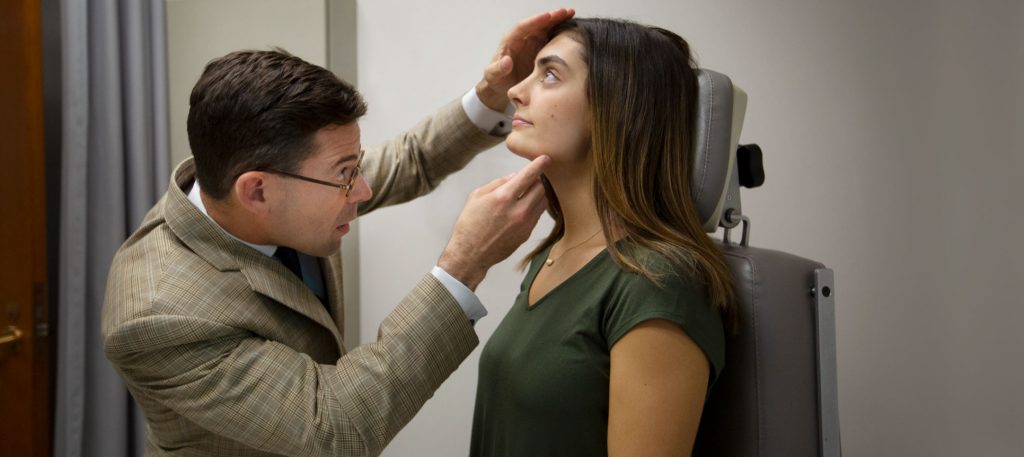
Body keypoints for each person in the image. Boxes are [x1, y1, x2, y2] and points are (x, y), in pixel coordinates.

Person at [101, 9, 574, 456]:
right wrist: (464, 264)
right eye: (346, 173)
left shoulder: (267, 177)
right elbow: (335, 427)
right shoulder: (158, 315)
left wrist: (490, 97)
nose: (363, 189)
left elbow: (411, 159)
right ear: (257, 191)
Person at [470, 18, 738, 456]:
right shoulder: (553, 255)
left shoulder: (658, 283)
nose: (516, 91)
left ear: (616, 109)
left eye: (549, 75)